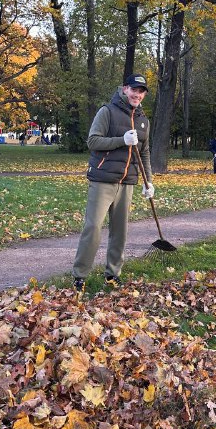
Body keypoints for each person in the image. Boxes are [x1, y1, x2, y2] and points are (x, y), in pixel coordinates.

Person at [72, 73, 154, 291]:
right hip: (103, 179)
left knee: (120, 230)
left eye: (142, 91)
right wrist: (121, 140)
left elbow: (144, 153)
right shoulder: (107, 111)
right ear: (125, 89)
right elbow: (93, 141)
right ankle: (80, 275)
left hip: (128, 182)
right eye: (134, 89)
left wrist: (149, 182)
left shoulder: (144, 121)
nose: (138, 94)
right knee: (93, 227)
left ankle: (113, 273)